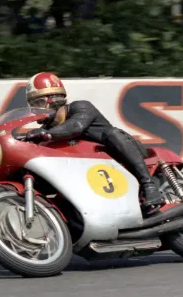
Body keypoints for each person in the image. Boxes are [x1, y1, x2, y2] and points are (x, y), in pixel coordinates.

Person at [25, 72, 164, 215]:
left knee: (113, 134)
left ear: (53, 99)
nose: (36, 109)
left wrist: (45, 135)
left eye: (38, 103)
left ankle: (149, 185)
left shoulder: (81, 107)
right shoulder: (46, 130)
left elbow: (75, 126)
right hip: (96, 175)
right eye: (33, 105)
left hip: (120, 158)